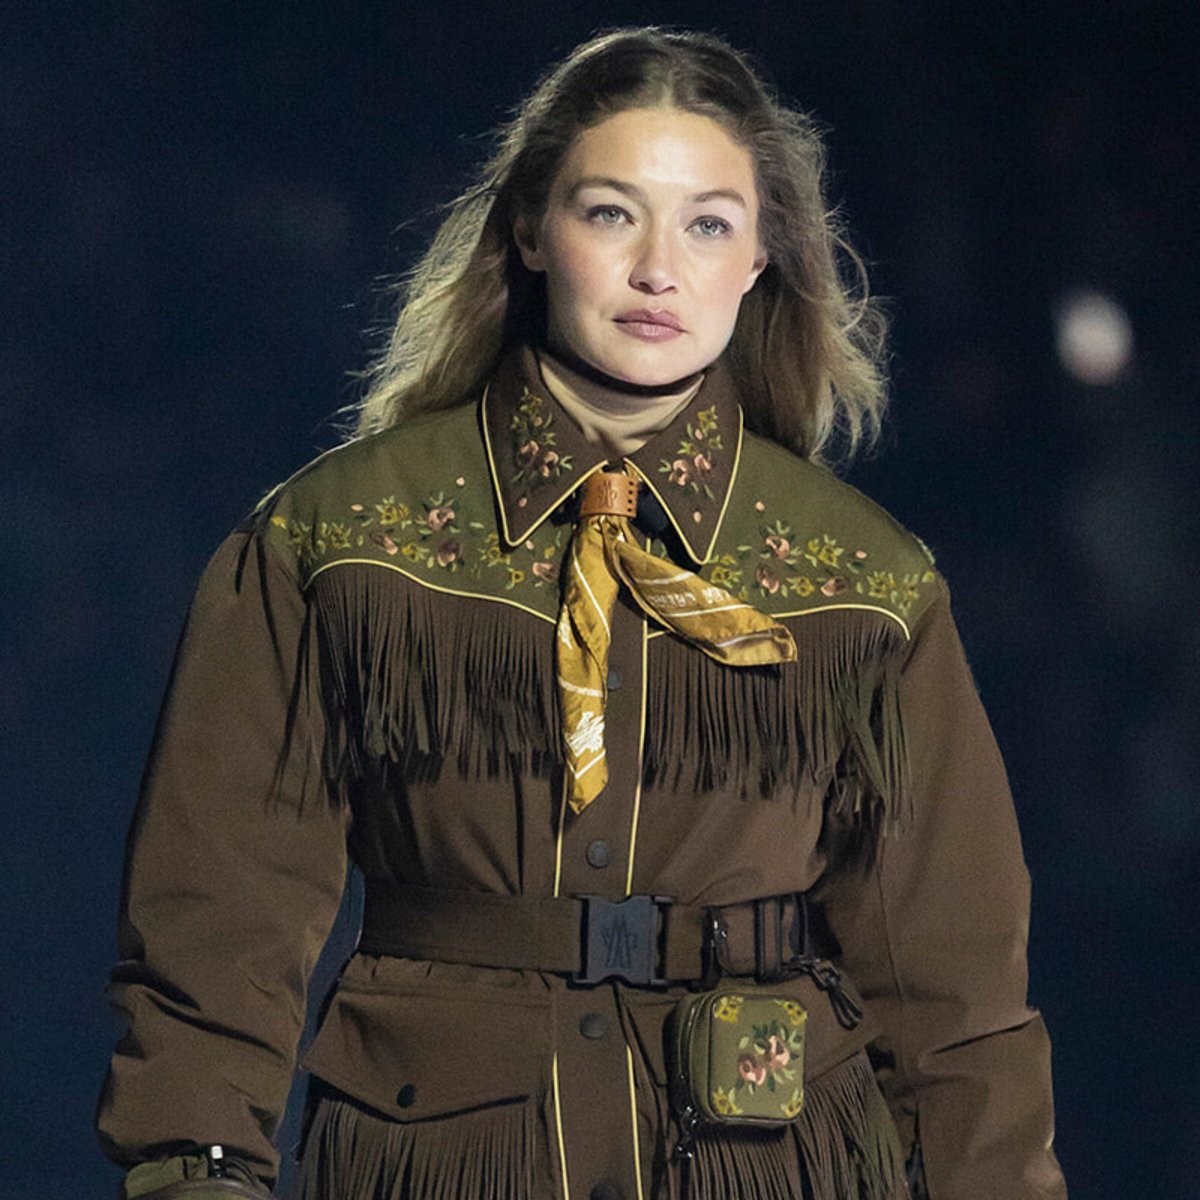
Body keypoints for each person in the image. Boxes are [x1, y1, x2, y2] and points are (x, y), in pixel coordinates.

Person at [97, 26, 1068, 1200]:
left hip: (767, 1162)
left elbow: (955, 991)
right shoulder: (336, 543)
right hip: (444, 1162)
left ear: (764, 256)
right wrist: (193, 1175)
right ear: (529, 231)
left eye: (708, 223)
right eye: (612, 212)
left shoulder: (861, 581)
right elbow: (218, 922)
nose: (660, 269)